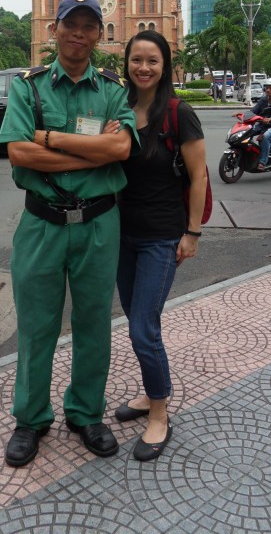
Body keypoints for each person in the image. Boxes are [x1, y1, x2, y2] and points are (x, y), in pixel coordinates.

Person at [0, 0, 138, 468]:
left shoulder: (112, 90)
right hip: (41, 223)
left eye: (88, 26)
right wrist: (92, 152)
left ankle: (85, 413)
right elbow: (18, 153)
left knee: (94, 324)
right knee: (36, 326)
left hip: (98, 224)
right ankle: (31, 418)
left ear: (99, 34)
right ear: (54, 30)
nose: (79, 33)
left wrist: (51, 140)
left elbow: (120, 150)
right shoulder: (29, 88)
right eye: (70, 24)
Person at [113, 30, 207, 461]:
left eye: (152, 60)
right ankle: (150, 394)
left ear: (165, 65)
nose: (144, 68)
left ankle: (159, 411)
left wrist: (192, 233)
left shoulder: (178, 113)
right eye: (137, 60)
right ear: (127, 63)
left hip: (162, 237)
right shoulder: (120, 107)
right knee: (138, 321)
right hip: (122, 235)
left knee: (142, 328)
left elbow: (199, 175)